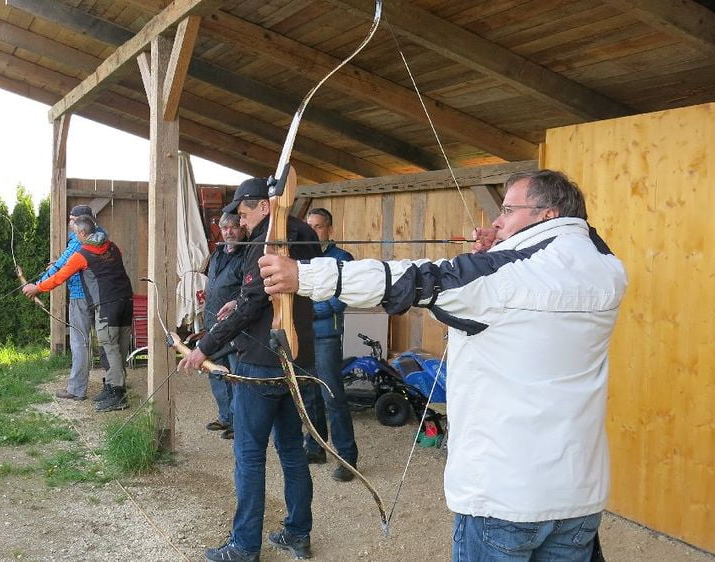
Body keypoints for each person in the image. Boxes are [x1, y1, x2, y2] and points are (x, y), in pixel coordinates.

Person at [259, 170, 627, 562]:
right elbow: (571, 245)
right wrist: (506, 245)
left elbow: (410, 280)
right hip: (579, 494)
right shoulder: (607, 269)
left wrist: (303, 275)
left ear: (547, 214)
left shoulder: (500, 277)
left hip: (504, 497)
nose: (496, 221)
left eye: (507, 211)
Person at [179, 177, 322, 562]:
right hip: (297, 361)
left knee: (249, 455)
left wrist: (204, 348)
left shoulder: (266, 239)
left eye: (244, 214)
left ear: (264, 205)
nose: (241, 223)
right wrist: (242, 301)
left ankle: (244, 546)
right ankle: (298, 533)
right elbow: (261, 297)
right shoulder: (305, 233)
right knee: (291, 450)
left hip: (261, 363)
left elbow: (252, 306)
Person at [24, 215, 133, 413]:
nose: (75, 236)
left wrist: (37, 288)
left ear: (82, 232)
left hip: (107, 305)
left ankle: (118, 395)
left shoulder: (82, 254)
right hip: (126, 301)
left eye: (75, 233)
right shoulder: (112, 246)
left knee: (111, 349)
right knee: (120, 347)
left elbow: (59, 277)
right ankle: (111, 387)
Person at [301, 208, 359, 482]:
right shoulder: (301, 258)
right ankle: (315, 448)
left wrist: (309, 312)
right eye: (310, 226)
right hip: (303, 336)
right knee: (309, 395)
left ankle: (347, 458)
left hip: (326, 336)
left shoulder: (342, 259)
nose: (314, 232)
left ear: (330, 230)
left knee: (332, 397)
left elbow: (341, 299)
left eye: (319, 226)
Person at [34, 204, 100, 402]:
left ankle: (77, 390)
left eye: (72, 219)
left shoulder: (79, 240)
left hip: (81, 296)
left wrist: (36, 287)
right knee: (106, 342)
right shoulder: (99, 235)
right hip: (98, 296)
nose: (70, 223)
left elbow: (62, 267)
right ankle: (113, 386)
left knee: (79, 342)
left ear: (82, 222)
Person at [202, 213, 247, 440]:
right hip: (213, 323)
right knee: (215, 372)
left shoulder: (248, 255)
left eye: (233, 227)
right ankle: (225, 417)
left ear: (243, 229)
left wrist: (236, 302)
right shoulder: (217, 253)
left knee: (236, 376)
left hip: (235, 327)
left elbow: (252, 292)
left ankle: (239, 422)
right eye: (224, 227)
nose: (229, 232)